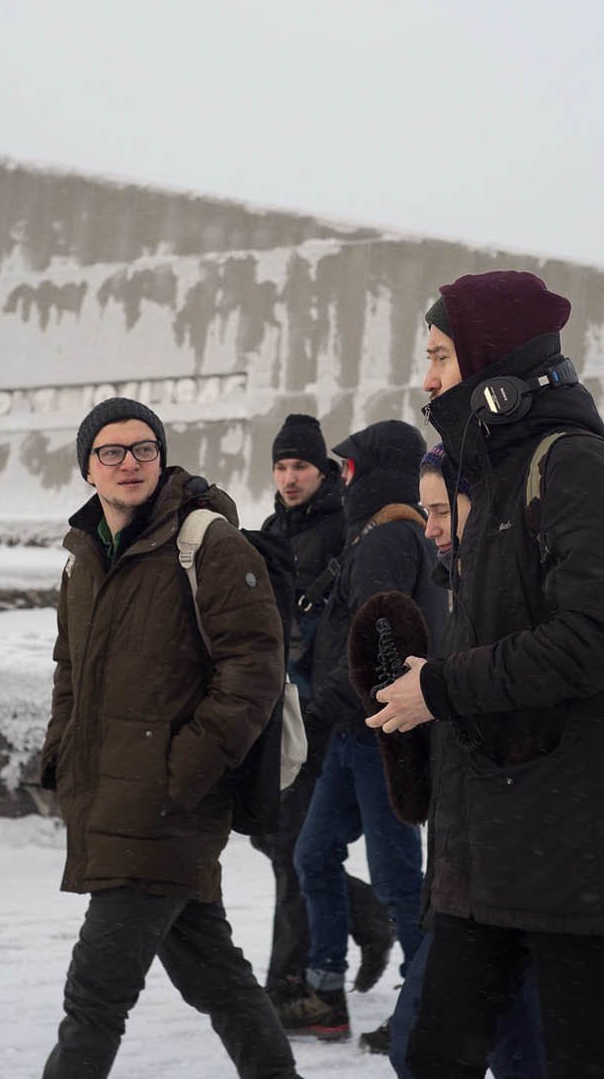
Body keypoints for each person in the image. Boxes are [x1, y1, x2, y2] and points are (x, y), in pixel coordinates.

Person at [368, 271, 604, 1079]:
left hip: (579, 854)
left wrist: (440, 687)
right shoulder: (495, 476)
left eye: (438, 354)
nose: (427, 378)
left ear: (491, 357)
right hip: (491, 849)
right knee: (435, 1059)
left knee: (582, 1066)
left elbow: (592, 640)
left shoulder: (574, 469)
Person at [37, 396, 300, 1079]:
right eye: (111, 451)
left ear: (162, 456)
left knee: (93, 997)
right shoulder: (84, 556)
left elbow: (254, 668)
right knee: (217, 979)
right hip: (118, 805)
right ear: (88, 468)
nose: (130, 463)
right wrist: (61, 754)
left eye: (144, 448)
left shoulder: (207, 543)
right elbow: (70, 670)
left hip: (163, 809)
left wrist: (181, 773)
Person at [378, 444, 544, 1078]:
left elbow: (535, 711)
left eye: (443, 510)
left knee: (429, 1048)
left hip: (520, 876)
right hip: (467, 873)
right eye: (425, 511)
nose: (431, 528)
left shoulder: (512, 595)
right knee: (511, 1054)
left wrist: (442, 692)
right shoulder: (462, 592)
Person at [281, 420, 446, 1042]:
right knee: (313, 855)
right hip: (358, 736)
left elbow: (381, 643)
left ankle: (422, 1010)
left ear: (375, 473)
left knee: (399, 880)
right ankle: (328, 994)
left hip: (379, 736)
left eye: (350, 470)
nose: (341, 479)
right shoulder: (382, 534)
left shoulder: (388, 540)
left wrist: (319, 708)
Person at [253, 413, 396, 1006]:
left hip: (321, 713)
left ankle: (292, 986)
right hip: (275, 707)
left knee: (294, 848)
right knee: (280, 841)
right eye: (282, 466)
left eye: (300, 466)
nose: (290, 477)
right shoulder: (269, 528)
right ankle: (369, 919)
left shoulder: (343, 528)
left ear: (324, 471)